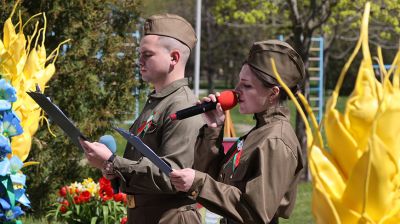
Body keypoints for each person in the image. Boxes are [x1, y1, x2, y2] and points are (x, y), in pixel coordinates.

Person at [81, 14, 204, 224]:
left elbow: (172, 176)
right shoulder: (159, 101)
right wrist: (111, 168)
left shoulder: (183, 105)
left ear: (174, 58)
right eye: (140, 54)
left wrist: (113, 162)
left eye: (148, 54)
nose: (140, 60)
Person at [170, 40, 305, 224]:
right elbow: (216, 181)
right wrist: (213, 130)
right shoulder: (259, 132)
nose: (237, 91)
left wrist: (198, 183)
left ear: (273, 93)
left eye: (247, 86)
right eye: (238, 82)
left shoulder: (275, 140)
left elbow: (255, 212)